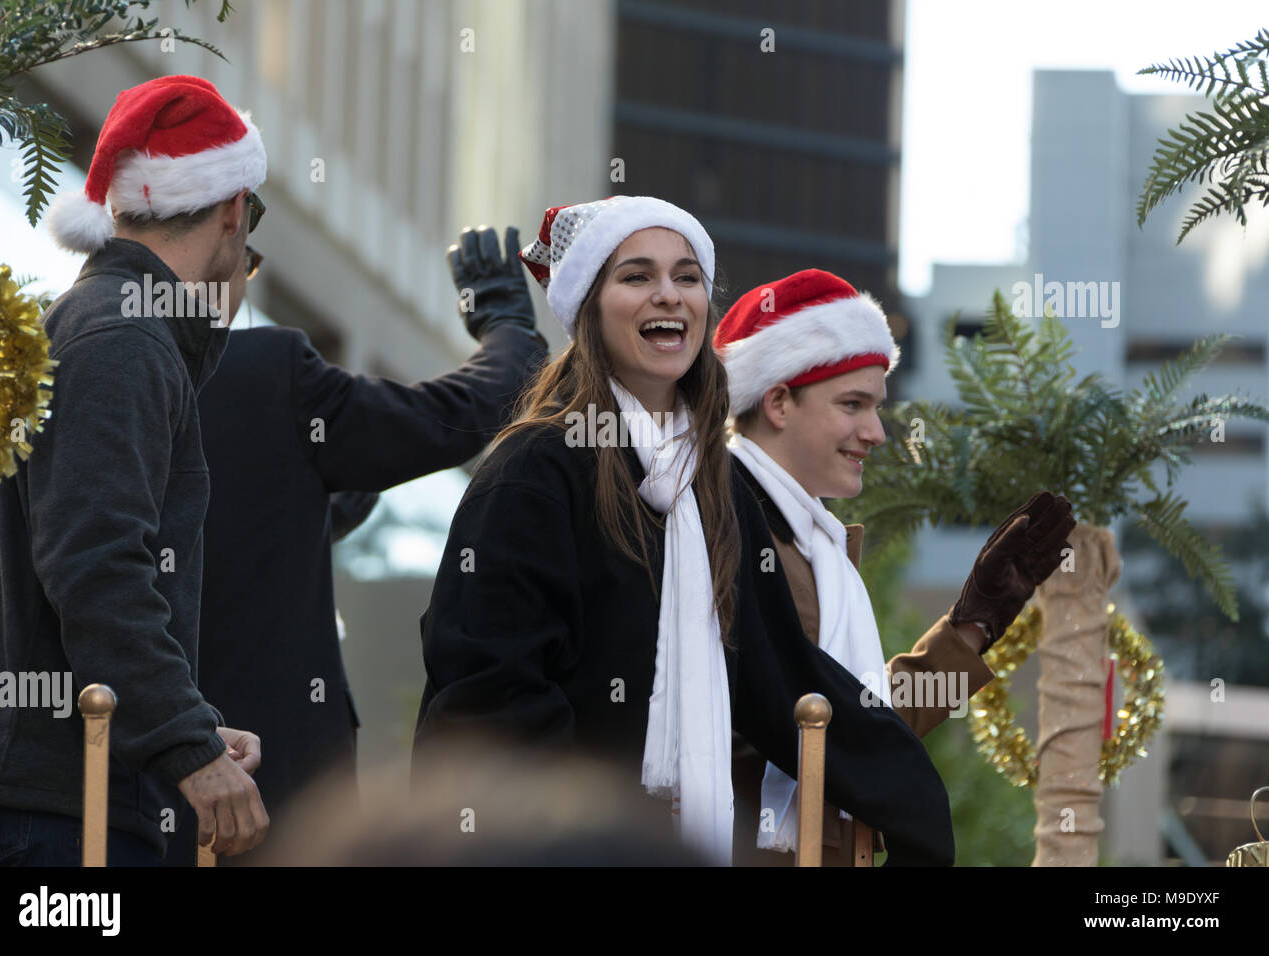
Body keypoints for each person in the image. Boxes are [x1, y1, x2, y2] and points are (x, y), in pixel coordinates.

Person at [412, 196, 954, 866]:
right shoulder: (534, 476)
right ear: (590, 307)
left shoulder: (716, 490)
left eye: (688, 277)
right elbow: (490, 703)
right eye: (636, 277)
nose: (668, 295)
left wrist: (918, 810)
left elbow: (783, 676)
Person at [162, 226, 548, 865]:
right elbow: (448, 413)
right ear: (223, 233)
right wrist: (508, 327)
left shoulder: (69, 370)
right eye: (248, 261)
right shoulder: (267, 369)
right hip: (268, 802)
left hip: (113, 805)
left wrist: (306, 515)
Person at [0, 75, 270, 864]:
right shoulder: (122, 340)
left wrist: (189, 724)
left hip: (53, 801)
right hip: (51, 819)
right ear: (235, 208)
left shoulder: (102, 328)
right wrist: (185, 745)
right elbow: (98, 565)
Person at [714, 268, 1075, 864]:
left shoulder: (817, 547)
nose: (876, 432)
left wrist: (971, 629)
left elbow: (855, 729)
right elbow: (820, 733)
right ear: (777, 400)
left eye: (877, 406)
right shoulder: (714, 523)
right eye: (852, 404)